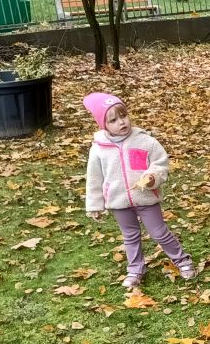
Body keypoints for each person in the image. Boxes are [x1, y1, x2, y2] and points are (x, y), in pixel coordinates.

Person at [83, 93, 196, 288]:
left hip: (146, 198)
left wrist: (153, 177)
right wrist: (94, 205)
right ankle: (135, 269)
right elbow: (95, 178)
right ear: (103, 125)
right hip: (118, 201)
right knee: (130, 236)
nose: (121, 122)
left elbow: (160, 163)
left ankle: (182, 260)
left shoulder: (145, 141)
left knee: (159, 232)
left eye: (123, 115)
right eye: (113, 120)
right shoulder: (99, 149)